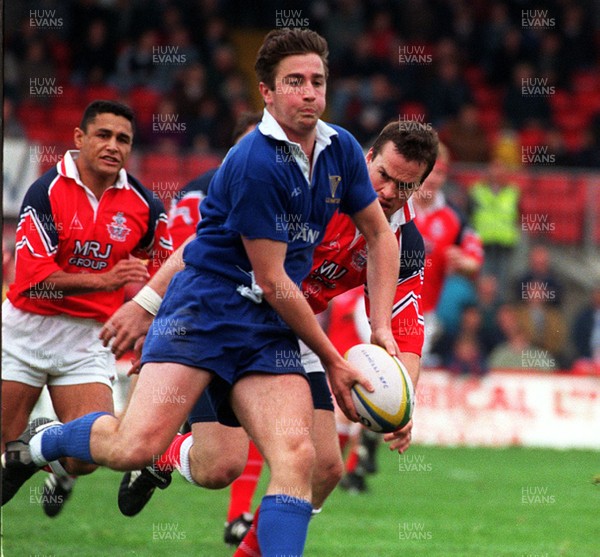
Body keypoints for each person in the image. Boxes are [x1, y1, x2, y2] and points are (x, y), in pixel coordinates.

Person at [2, 29, 401, 557]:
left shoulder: (342, 149)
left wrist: (380, 328)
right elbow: (275, 280)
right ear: (267, 91)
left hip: (266, 330)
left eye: (318, 82)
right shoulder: (256, 163)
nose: (309, 93)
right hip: (203, 313)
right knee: (132, 446)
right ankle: (42, 443)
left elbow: (380, 235)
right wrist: (332, 359)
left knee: (295, 457)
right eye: (295, 82)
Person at [109, 120, 437, 552]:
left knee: (324, 470)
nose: (391, 193)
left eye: (406, 187)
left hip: (291, 332)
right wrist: (149, 304)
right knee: (219, 466)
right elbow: (204, 246)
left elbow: (405, 330)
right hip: (227, 315)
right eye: (385, 177)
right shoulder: (316, 192)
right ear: (367, 159)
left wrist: (402, 402)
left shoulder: (403, 243)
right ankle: (147, 452)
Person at [0, 100, 172, 515]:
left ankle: (55, 464)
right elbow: (31, 277)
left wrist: (155, 332)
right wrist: (106, 280)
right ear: (80, 138)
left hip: (89, 336)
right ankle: (38, 446)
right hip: (26, 329)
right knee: (3, 461)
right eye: (104, 135)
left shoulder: (145, 207)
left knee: (87, 456)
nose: (113, 145)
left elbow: (168, 272)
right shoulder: (46, 191)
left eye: (123, 139)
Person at [412, 143, 484, 366]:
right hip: (378, 306)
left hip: (424, 315)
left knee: (406, 375)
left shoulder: (454, 218)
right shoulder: (394, 204)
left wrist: (465, 262)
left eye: (440, 172)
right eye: (430, 170)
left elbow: (475, 257)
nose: (433, 178)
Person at [467, 155, 520, 298]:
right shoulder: (476, 191)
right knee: (482, 280)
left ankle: (499, 310)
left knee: (502, 283)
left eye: (500, 170)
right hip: (483, 243)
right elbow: (468, 216)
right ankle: (482, 308)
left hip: (505, 245)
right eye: (494, 169)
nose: (496, 173)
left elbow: (519, 216)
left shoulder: (513, 192)